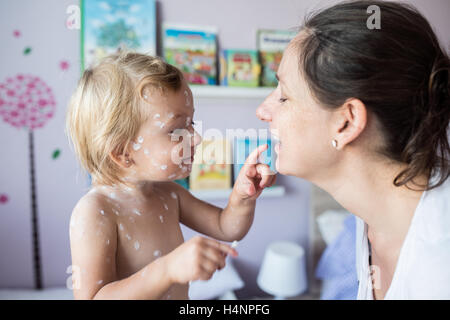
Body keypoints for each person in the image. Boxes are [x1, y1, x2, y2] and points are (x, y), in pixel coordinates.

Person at [256, 0, 450, 299]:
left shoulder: (440, 267)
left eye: (284, 97)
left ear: (346, 123)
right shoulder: (368, 218)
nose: (262, 111)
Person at [65, 52, 275, 299]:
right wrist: (168, 269)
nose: (196, 138)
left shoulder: (169, 194)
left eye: (191, 124)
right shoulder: (95, 211)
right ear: (123, 153)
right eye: (176, 130)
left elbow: (226, 227)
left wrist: (242, 198)